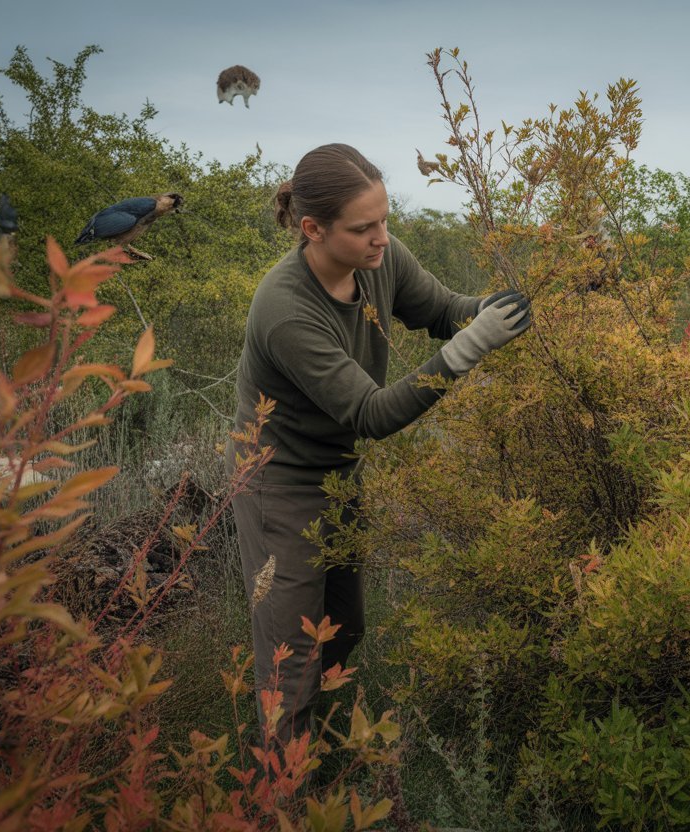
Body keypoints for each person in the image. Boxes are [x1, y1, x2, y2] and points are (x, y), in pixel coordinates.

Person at [226, 143, 530, 742]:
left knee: (343, 629)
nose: (382, 238)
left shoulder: (379, 261)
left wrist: (499, 311)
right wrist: (473, 347)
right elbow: (371, 412)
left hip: (338, 471)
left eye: (385, 219)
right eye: (364, 227)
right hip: (278, 483)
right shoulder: (286, 309)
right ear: (312, 229)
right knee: (289, 666)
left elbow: (446, 311)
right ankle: (280, 803)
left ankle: (331, 768)